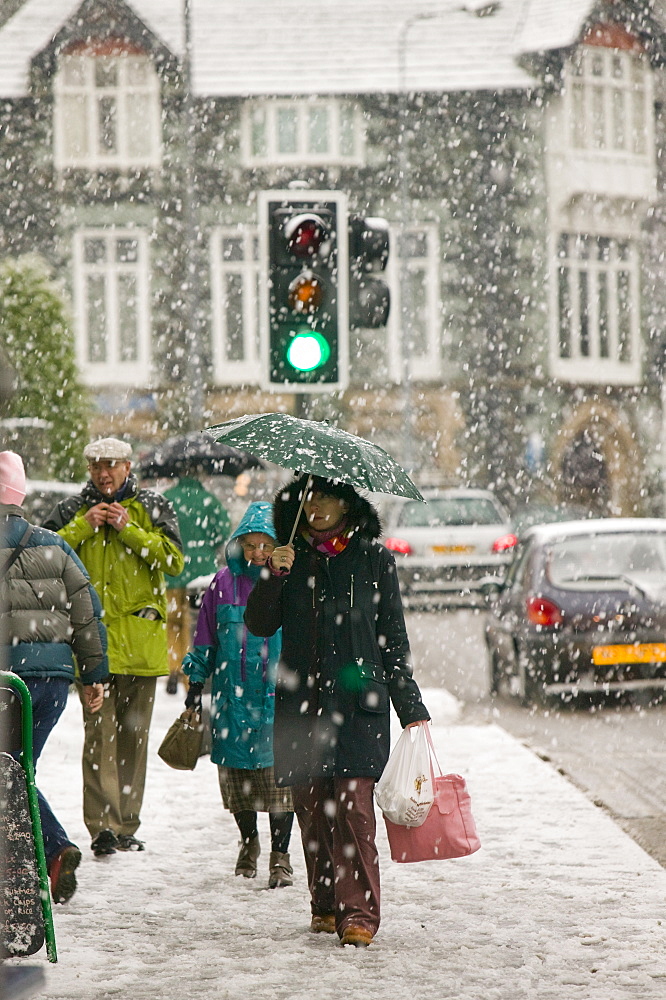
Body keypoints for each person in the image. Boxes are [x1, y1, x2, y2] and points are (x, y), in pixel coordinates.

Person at [245, 474, 430, 947]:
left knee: (353, 809)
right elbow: (260, 624)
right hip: (303, 703)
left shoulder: (373, 559)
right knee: (311, 806)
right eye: (310, 497)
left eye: (327, 496)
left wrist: (409, 704)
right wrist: (272, 573)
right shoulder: (291, 558)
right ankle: (325, 904)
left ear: (347, 502)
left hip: (358, 702)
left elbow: (393, 636)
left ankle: (360, 914)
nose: (317, 506)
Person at [43, 437, 184, 857]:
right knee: (97, 739)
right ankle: (101, 827)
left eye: (111, 465)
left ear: (127, 466)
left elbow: (175, 562)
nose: (103, 473)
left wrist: (130, 530)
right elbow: (46, 556)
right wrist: (84, 526)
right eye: (96, 466)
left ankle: (125, 825)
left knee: (133, 740)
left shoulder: (153, 508)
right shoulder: (72, 511)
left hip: (140, 644)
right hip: (93, 646)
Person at [0, 451, 108, 903]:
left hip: (6, 680)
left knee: (10, 775)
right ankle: (50, 854)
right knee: (17, 771)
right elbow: (87, 614)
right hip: (51, 683)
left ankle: (53, 848)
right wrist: (94, 675)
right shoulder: (55, 545)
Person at [182, 501, 294, 888]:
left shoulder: (287, 583)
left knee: (281, 785)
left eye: (266, 544)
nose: (258, 552)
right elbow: (204, 641)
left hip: (276, 701)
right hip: (231, 702)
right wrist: (195, 686)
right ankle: (249, 842)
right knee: (236, 785)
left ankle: (281, 857)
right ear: (238, 545)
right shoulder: (221, 585)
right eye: (250, 544)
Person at [161, 475, 231, 694]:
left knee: (173, 623)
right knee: (196, 627)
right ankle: (190, 673)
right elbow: (223, 530)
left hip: (171, 568)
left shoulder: (167, 498)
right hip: (201, 573)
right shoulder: (209, 500)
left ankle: (173, 666)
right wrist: (207, 544)